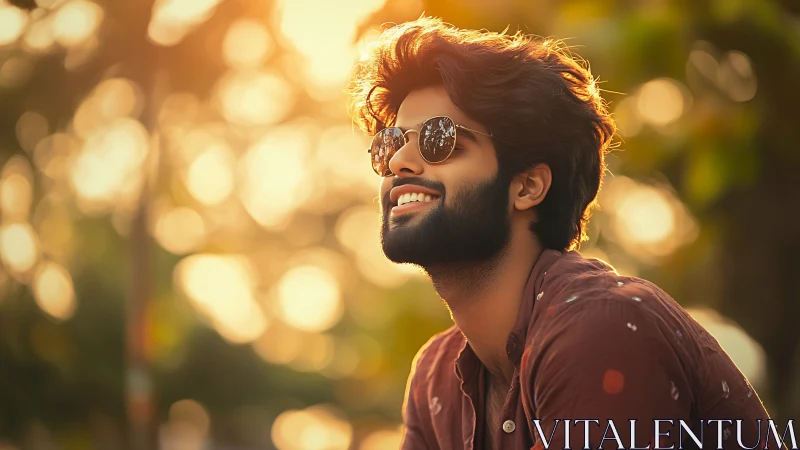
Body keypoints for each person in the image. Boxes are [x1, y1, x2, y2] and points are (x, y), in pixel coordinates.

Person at [348, 17, 777, 450]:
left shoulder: (601, 327)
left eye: (439, 140)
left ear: (527, 186)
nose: (399, 161)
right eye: (390, 143)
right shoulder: (435, 378)